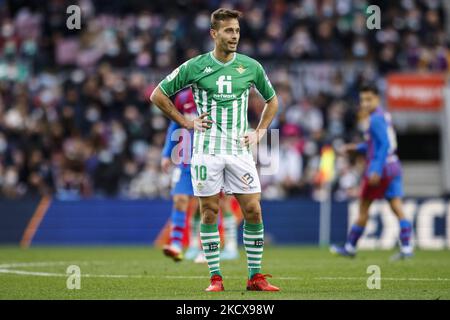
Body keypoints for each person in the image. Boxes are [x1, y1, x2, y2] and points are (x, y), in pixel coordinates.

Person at [151, 8, 280, 292]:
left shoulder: (251, 67)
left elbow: (272, 101)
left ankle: (255, 277)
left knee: (253, 211)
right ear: (214, 34)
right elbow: (157, 94)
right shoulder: (195, 66)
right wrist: (185, 122)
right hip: (206, 152)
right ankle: (215, 278)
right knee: (209, 211)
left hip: (238, 151)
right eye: (228, 31)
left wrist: (259, 133)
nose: (234, 36)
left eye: (236, 30)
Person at [330, 84, 413, 260]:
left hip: (380, 168)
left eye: (369, 99)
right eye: (362, 100)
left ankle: (350, 247)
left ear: (377, 98)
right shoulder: (384, 115)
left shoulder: (374, 119)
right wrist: (354, 147)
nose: (365, 103)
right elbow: (374, 144)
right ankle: (407, 247)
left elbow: (383, 145)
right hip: (394, 165)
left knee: (363, 207)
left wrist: (375, 169)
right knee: (397, 207)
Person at [160, 89, 197, 262]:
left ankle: (203, 248)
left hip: (211, 157)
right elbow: (175, 124)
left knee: (207, 204)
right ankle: (176, 244)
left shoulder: (217, 91)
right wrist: (167, 153)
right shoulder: (183, 98)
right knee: (180, 199)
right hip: (186, 158)